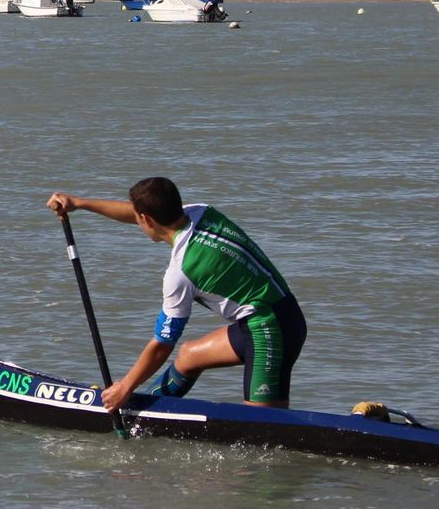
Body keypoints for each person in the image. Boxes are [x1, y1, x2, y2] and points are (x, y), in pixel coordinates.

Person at [46, 176, 305, 413]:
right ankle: (146, 414)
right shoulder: (202, 212)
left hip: (270, 331)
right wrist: (78, 203)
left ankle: (337, 438)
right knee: (189, 356)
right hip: (276, 315)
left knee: (263, 432)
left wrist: (124, 387)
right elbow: (140, 212)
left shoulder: (180, 272)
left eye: (138, 218)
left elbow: (161, 345)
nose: (136, 222)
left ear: (147, 220)